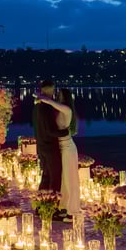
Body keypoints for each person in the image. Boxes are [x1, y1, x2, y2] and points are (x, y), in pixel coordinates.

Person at [38, 88, 81, 222]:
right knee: (63, 180)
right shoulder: (58, 110)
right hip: (59, 147)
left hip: (68, 147)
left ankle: (73, 211)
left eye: (60, 95)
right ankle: (64, 208)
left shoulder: (67, 109)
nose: (58, 96)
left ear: (65, 97)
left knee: (71, 179)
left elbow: (56, 105)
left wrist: (46, 99)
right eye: (57, 95)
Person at [32, 80, 68, 202]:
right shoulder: (46, 107)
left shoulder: (37, 105)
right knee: (55, 178)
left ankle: (40, 204)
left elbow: (39, 127)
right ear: (48, 90)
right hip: (50, 147)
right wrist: (65, 133)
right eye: (52, 90)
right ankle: (52, 206)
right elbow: (50, 130)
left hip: (41, 146)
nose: (53, 92)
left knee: (46, 177)